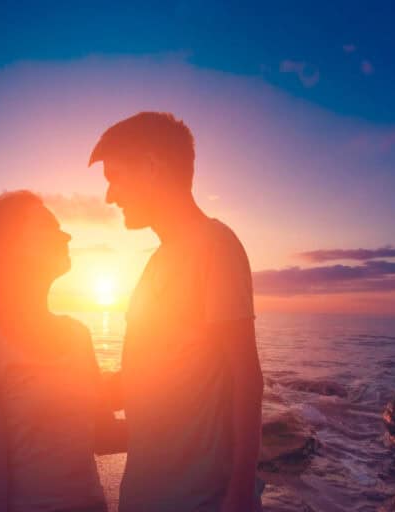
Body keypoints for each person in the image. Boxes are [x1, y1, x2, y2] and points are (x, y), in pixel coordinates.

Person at [89, 112, 264, 512]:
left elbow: (246, 379)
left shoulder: (215, 245)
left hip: (201, 499)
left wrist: (239, 495)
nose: (110, 196)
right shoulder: (159, 260)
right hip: (147, 495)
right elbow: (155, 375)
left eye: (115, 177)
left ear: (152, 167)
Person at [0, 191, 124, 512]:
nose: (66, 236)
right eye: (48, 227)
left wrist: (178, 405)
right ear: (10, 246)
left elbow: (103, 435)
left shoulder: (78, 334)